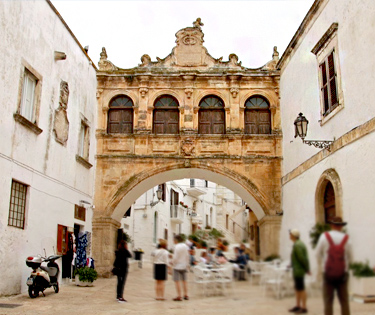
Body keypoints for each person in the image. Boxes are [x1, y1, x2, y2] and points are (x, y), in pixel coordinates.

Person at [316, 216, 352, 315]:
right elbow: (350, 257)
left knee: (328, 301)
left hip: (328, 273)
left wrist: (321, 266)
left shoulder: (324, 236)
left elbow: (317, 254)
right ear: (341, 226)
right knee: (344, 301)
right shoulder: (346, 239)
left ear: (331, 225)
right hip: (342, 273)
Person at [288, 229, 310, 314]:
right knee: (298, 288)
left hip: (299, 270)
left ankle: (304, 307)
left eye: (290, 234)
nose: (289, 236)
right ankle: (298, 305)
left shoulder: (298, 245)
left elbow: (302, 258)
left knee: (301, 289)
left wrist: (307, 268)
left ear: (293, 235)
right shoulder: (297, 244)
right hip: (297, 269)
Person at [172, 235, 190, 301]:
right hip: (184, 265)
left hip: (177, 266)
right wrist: (187, 264)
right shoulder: (185, 246)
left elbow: (175, 257)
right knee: (184, 281)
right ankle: (186, 294)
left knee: (177, 281)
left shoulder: (176, 247)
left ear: (176, 240)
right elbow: (187, 256)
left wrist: (172, 262)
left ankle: (179, 296)